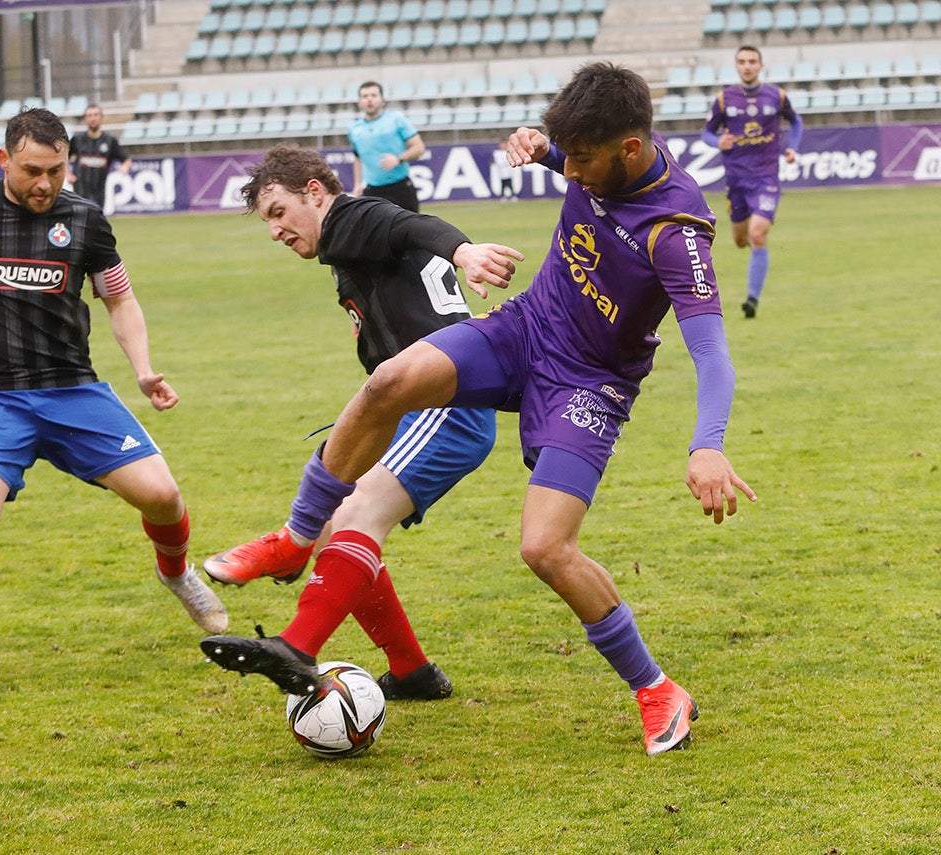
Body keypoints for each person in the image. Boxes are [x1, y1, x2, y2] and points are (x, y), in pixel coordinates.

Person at [202, 62, 756, 756]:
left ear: (631, 151)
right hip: (524, 328)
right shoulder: (601, 157)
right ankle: (299, 530)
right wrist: (544, 151)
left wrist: (708, 442)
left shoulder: (676, 234)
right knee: (389, 383)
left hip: (589, 385)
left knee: (544, 547)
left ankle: (657, 689)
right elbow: (578, 164)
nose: (573, 174)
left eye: (581, 161)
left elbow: (712, 354)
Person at [0, 107, 227, 696]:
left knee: (162, 495)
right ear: (3, 159)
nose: (45, 184)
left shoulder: (85, 219)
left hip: (71, 388)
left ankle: (177, 574)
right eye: (33, 170)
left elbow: (119, 300)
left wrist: (143, 369)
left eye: (56, 171)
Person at [200, 144, 523, 701]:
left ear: (316, 194)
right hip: (418, 409)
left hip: (446, 410)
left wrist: (464, 251)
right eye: (266, 221)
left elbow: (409, 224)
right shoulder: (348, 250)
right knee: (337, 525)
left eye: (279, 213)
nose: (275, 231)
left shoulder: (350, 218)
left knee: (353, 515)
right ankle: (411, 670)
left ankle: (298, 646)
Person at [702, 45, 803, 319]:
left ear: (761, 65)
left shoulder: (776, 96)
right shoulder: (724, 99)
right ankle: (756, 255)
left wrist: (792, 147)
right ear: (737, 66)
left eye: (752, 61)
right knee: (740, 239)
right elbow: (707, 133)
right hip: (736, 180)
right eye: (742, 61)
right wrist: (717, 141)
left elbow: (796, 123)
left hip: (766, 177)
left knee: (758, 234)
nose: (747, 66)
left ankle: (752, 301)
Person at [348, 81, 425, 212]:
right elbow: (357, 157)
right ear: (359, 102)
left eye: (373, 95)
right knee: (374, 232)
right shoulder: (354, 129)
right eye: (365, 96)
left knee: (410, 231)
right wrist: (357, 184)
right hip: (372, 192)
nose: (369, 99)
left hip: (400, 188)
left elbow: (419, 148)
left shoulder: (396, 119)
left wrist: (398, 159)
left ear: (383, 100)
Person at [67, 104, 131, 208]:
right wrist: (67, 174)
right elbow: (63, 157)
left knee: (97, 220)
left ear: (101, 118)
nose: (93, 118)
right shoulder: (77, 139)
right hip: (80, 190)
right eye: (90, 115)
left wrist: (125, 167)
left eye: (96, 115)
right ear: (85, 118)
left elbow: (126, 160)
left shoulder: (110, 141)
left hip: (100, 190)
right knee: (81, 219)